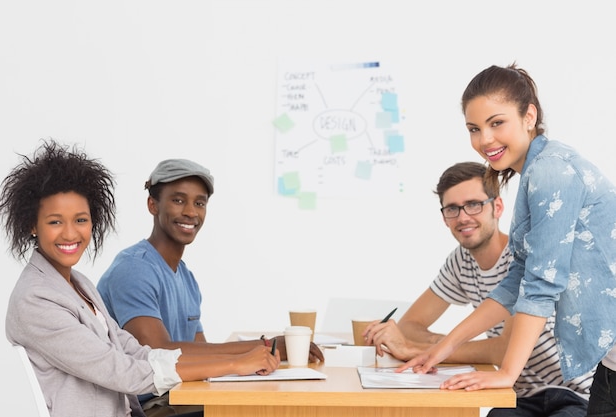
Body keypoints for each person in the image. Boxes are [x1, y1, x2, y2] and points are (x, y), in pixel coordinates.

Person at [0, 140, 280, 417]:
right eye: (55, 221)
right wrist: (235, 364)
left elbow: (136, 351)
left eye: (81, 220)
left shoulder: (79, 284)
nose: (71, 234)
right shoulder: (36, 299)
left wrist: (246, 357)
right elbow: (122, 371)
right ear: (32, 225)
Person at [402, 63, 616, 416]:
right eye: (474, 128)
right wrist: (443, 348)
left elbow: (542, 283)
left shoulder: (551, 171)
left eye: (496, 123)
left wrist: (507, 373)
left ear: (529, 116)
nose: (485, 140)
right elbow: (516, 278)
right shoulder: (536, 171)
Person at [97, 158, 324, 416]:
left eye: (200, 203)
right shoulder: (134, 269)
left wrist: (265, 349)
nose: (191, 212)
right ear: (153, 205)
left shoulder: (187, 278)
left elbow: (203, 352)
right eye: (178, 200)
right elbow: (157, 353)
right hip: (146, 406)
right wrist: (264, 345)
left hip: (180, 393)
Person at [364, 161, 592, 416]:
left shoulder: (523, 259)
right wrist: (442, 345)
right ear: (444, 217)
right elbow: (409, 326)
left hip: (577, 393)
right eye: (452, 208)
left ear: (497, 207)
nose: (463, 217)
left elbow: (501, 349)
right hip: (522, 396)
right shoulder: (460, 262)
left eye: (473, 205)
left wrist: (418, 350)